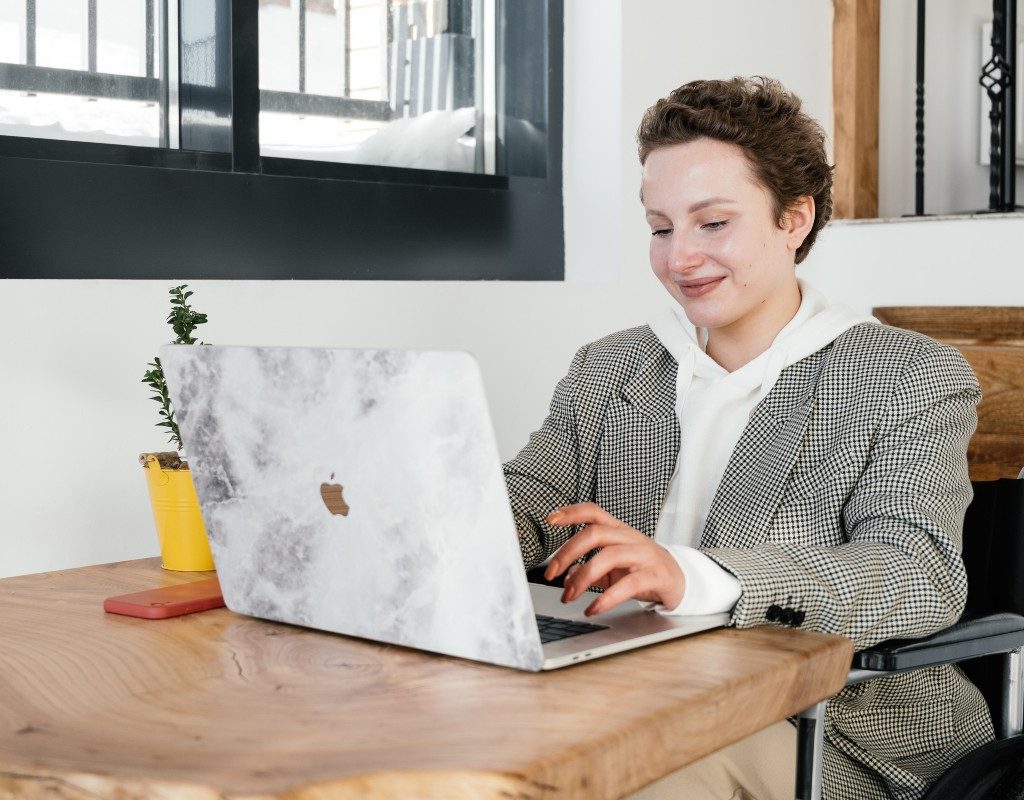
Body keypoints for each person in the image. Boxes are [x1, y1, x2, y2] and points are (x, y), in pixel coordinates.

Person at [503, 76, 994, 800]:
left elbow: (915, 572)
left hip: (823, 726)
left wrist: (695, 577)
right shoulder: (611, 367)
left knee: (619, 778)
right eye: (661, 227)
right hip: (620, 694)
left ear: (794, 218)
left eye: (713, 223)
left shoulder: (907, 374)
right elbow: (531, 502)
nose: (680, 258)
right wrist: (434, 528)